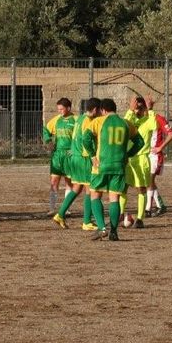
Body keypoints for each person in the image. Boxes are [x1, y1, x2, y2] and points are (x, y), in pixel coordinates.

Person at [83, 98, 144, 241]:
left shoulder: (98, 121)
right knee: (114, 198)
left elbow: (85, 138)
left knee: (95, 195)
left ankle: (102, 228)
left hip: (101, 165)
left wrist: (92, 155)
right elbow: (140, 142)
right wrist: (128, 154)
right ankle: (114, 232)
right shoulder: (126, 123)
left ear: (103, 110)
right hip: (119, 166)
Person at [53, 97, 102, 231]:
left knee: (77, 187)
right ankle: (87, 222)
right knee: (90, 189)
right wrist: (93, 155)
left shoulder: (80, 118)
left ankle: (60, 214)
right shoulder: (89, 120)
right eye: (99, 111)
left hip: (75, 158)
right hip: (84, 158)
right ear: (95, 110)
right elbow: (86, 139)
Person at [120, 96, 153, 228]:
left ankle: (140, 219)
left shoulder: (148, 120)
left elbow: (155, 124)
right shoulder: (130, 120)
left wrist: (150, 110)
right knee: (123, 187)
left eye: (140, 108)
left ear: (144, 108)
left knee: (141, 188)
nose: (138, 110)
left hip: (141, 159)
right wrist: (130, 110)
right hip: (128, 158)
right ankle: (120, 214)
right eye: (136, 108)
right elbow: (124, 123)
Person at [43, 98, 78, 215]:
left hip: (70, 155)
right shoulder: (56, 120)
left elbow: (81, 136)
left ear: (68, 108)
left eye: (61, 109)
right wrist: (48, 141)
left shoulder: (76, 120)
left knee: (69, 182)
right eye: (58, 109)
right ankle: (52, 209)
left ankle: (66, 209)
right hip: (57, 155)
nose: (59, 111)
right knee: (54, 181)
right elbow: (45, 130)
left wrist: (75, 149)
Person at [145, 97, 172, 217]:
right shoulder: (142, 119)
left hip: (155, 156)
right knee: (148, 181)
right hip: (146, 154)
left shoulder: (158, 118)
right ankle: (159, 206)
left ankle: (148, 209)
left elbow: (171, 134)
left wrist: (160, 147)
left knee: (149, 180)